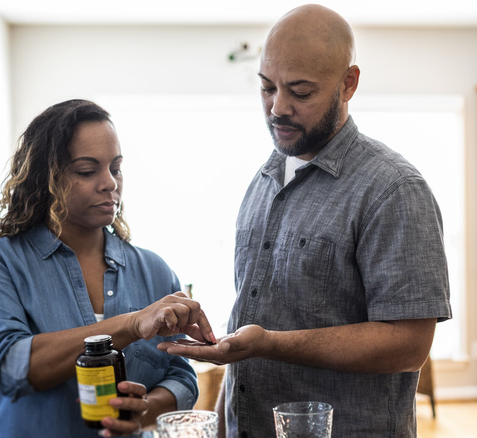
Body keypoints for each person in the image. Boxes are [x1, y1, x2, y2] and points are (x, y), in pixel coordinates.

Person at [159, 4, 452, 437]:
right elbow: (249, 315)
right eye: (266, 87)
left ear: (348, 83)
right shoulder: (264, 177)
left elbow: (409, 345)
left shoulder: (393, 189)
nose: (278, 107)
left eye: (300, 91)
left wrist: (269, 344)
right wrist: (222, 421)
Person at [0, 99, 217, 438]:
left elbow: (181, 374)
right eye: (87, 170)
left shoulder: (154, 270)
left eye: (116, 168)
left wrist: (143, 411)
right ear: (45, 178)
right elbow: (7, 367)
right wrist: (130, 324)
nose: (109, 183)